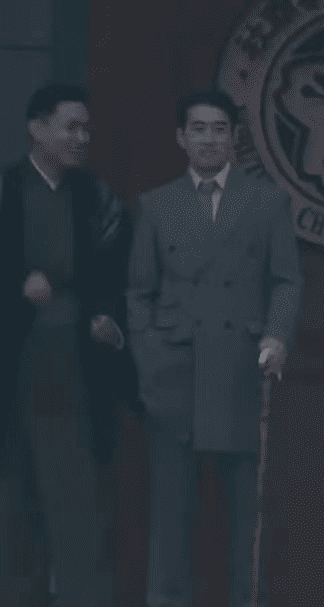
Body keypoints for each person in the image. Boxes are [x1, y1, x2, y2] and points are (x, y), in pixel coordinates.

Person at [126, 89, 304, 607]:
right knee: (171, 520)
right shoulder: (156, 204)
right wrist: (150, 361)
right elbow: (139, 293)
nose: (209, 139)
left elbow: (286, 280)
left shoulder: (267, 201)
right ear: (181, 137)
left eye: (219, 128)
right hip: (174, 376)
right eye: (198, 129)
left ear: (235, 138)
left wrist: (277, 333)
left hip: (238, 374)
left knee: (245, 519)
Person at [0, 83, 135, 607]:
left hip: (75, 366)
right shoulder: (7, 189)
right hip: (16, 362)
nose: (82, 138)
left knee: (78, 496)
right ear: (37, 128)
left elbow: (121, 275)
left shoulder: (96, 197)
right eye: (70, 127)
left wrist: (108, 318)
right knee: (15, 496)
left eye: (86, 128)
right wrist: (17, 284)